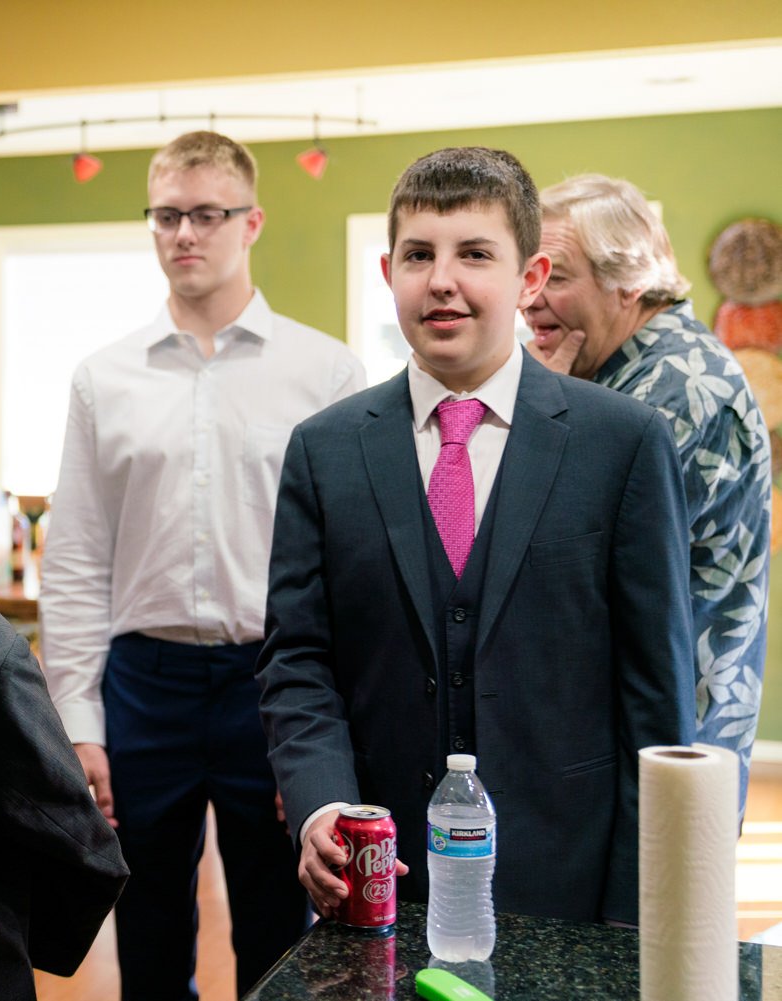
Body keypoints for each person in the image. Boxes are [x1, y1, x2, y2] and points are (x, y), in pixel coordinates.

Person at [257, 147, 695, 928]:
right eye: (420, 255)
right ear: (390, 271)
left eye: (475, 254)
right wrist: (321, 804)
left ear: (529, 278)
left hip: (566, 886)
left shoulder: (621, 443)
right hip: (376, 888)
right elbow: (298, 659)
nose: (442, 280)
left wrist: (637, 918)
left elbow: (656, 702)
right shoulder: (323, 451)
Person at [39, 130, 365, 1000]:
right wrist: (80, 719)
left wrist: (327, 749)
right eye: (167, 215)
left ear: (251, 221)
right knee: (145, 926)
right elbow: (72, 560)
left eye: (207, 214)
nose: (185, 233)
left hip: (276, 682)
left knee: (279, 924)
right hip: (143, 685)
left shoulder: (325, 373)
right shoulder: (102, 379)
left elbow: (348, 572)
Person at [522, 173, 770, 819]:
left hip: (665, 756)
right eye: (528, 274)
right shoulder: (616, 373)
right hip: (634, 744)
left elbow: (557, 563)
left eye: (557, 276)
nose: (530, 300)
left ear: (628, 280)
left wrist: (535, 416)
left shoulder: (678, 388)